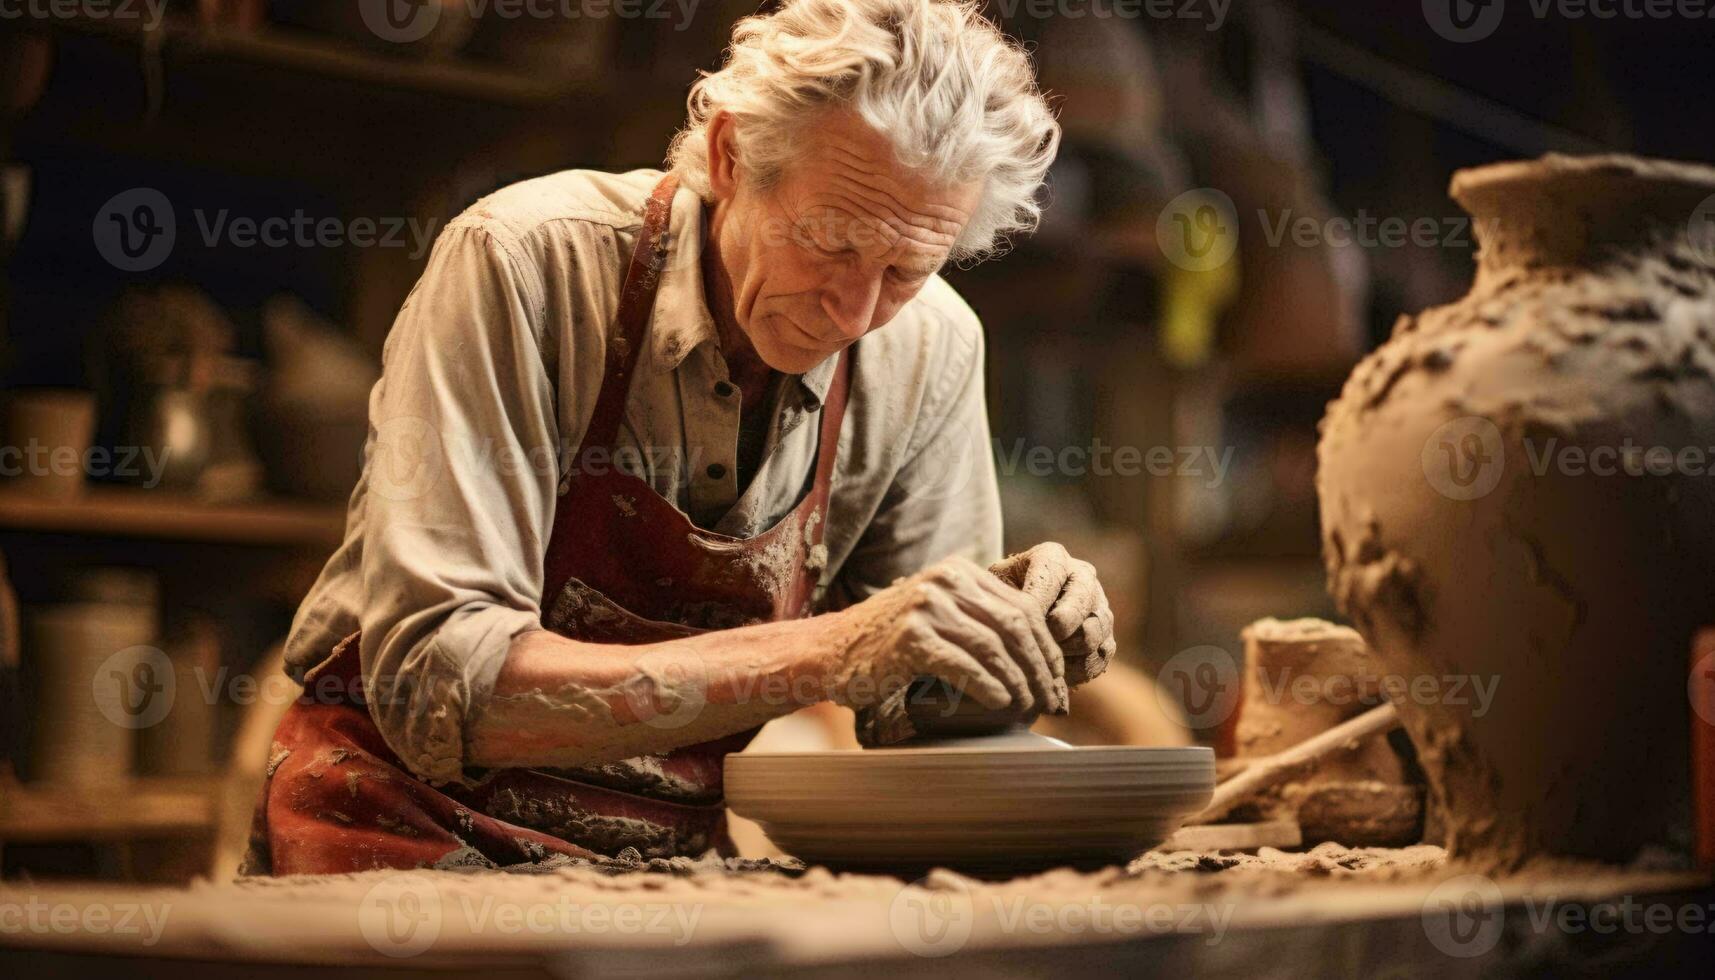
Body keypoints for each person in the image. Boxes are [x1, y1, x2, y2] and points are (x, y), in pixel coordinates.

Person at [246, 0, 1117, 875]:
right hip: (395, 831)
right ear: (733, 157)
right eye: (827, 241)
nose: (854, 312)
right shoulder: (525, 262)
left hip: (661, 862)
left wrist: (997, 641)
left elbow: (912, 720)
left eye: (904, 270)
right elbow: (440, 682)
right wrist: (834, 646)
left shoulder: (930, 344)